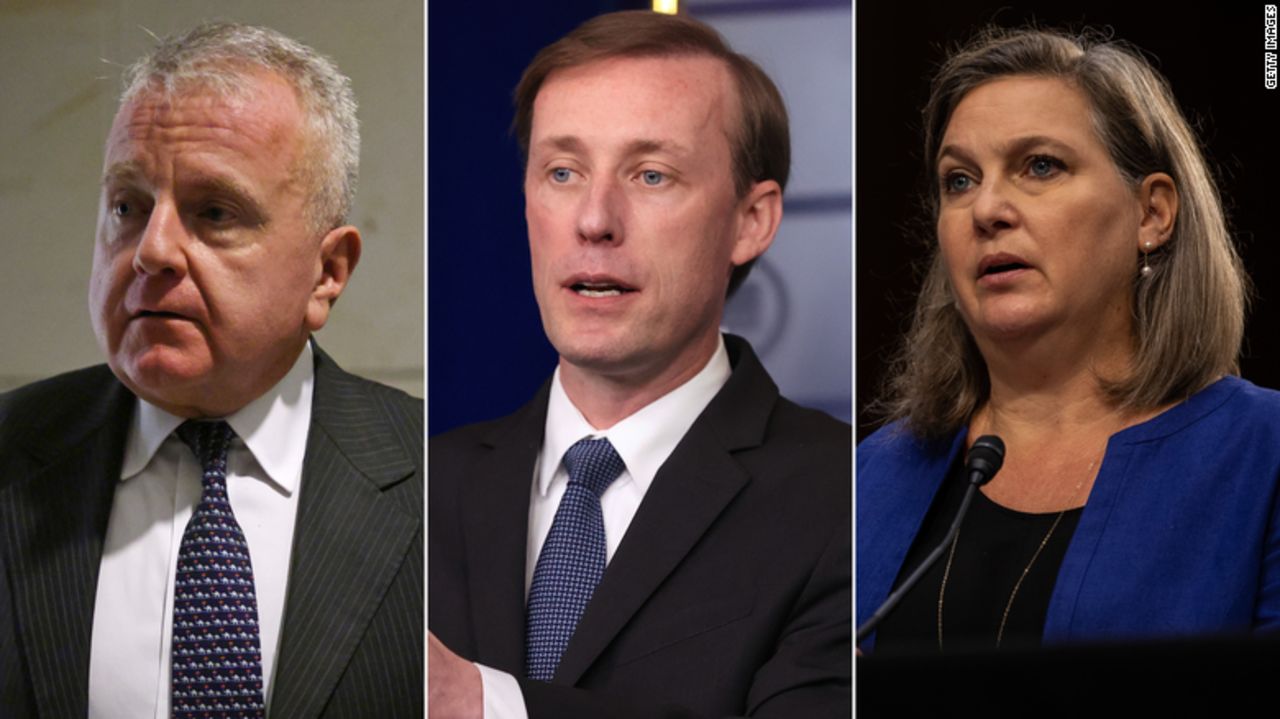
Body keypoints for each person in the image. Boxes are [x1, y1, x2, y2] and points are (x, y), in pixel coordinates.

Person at [428, 10, 851, 719]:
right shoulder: (427, 486)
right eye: (562, 171)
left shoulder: (842, 498)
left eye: (651, 174)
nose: (594, 219)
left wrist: (481, 703)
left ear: (751, 220)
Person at [0, 23, 423, 716]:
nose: (152, 251)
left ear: (327, 273)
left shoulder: (435, 479)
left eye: (214, 212)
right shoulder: (12, 454)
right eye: (127, 207)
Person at [857, 25, 1280, 653]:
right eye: (959, 180)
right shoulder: (871, 475)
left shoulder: (1263, 453)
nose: (987, 210)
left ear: (1151, 214)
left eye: (1040, 166)